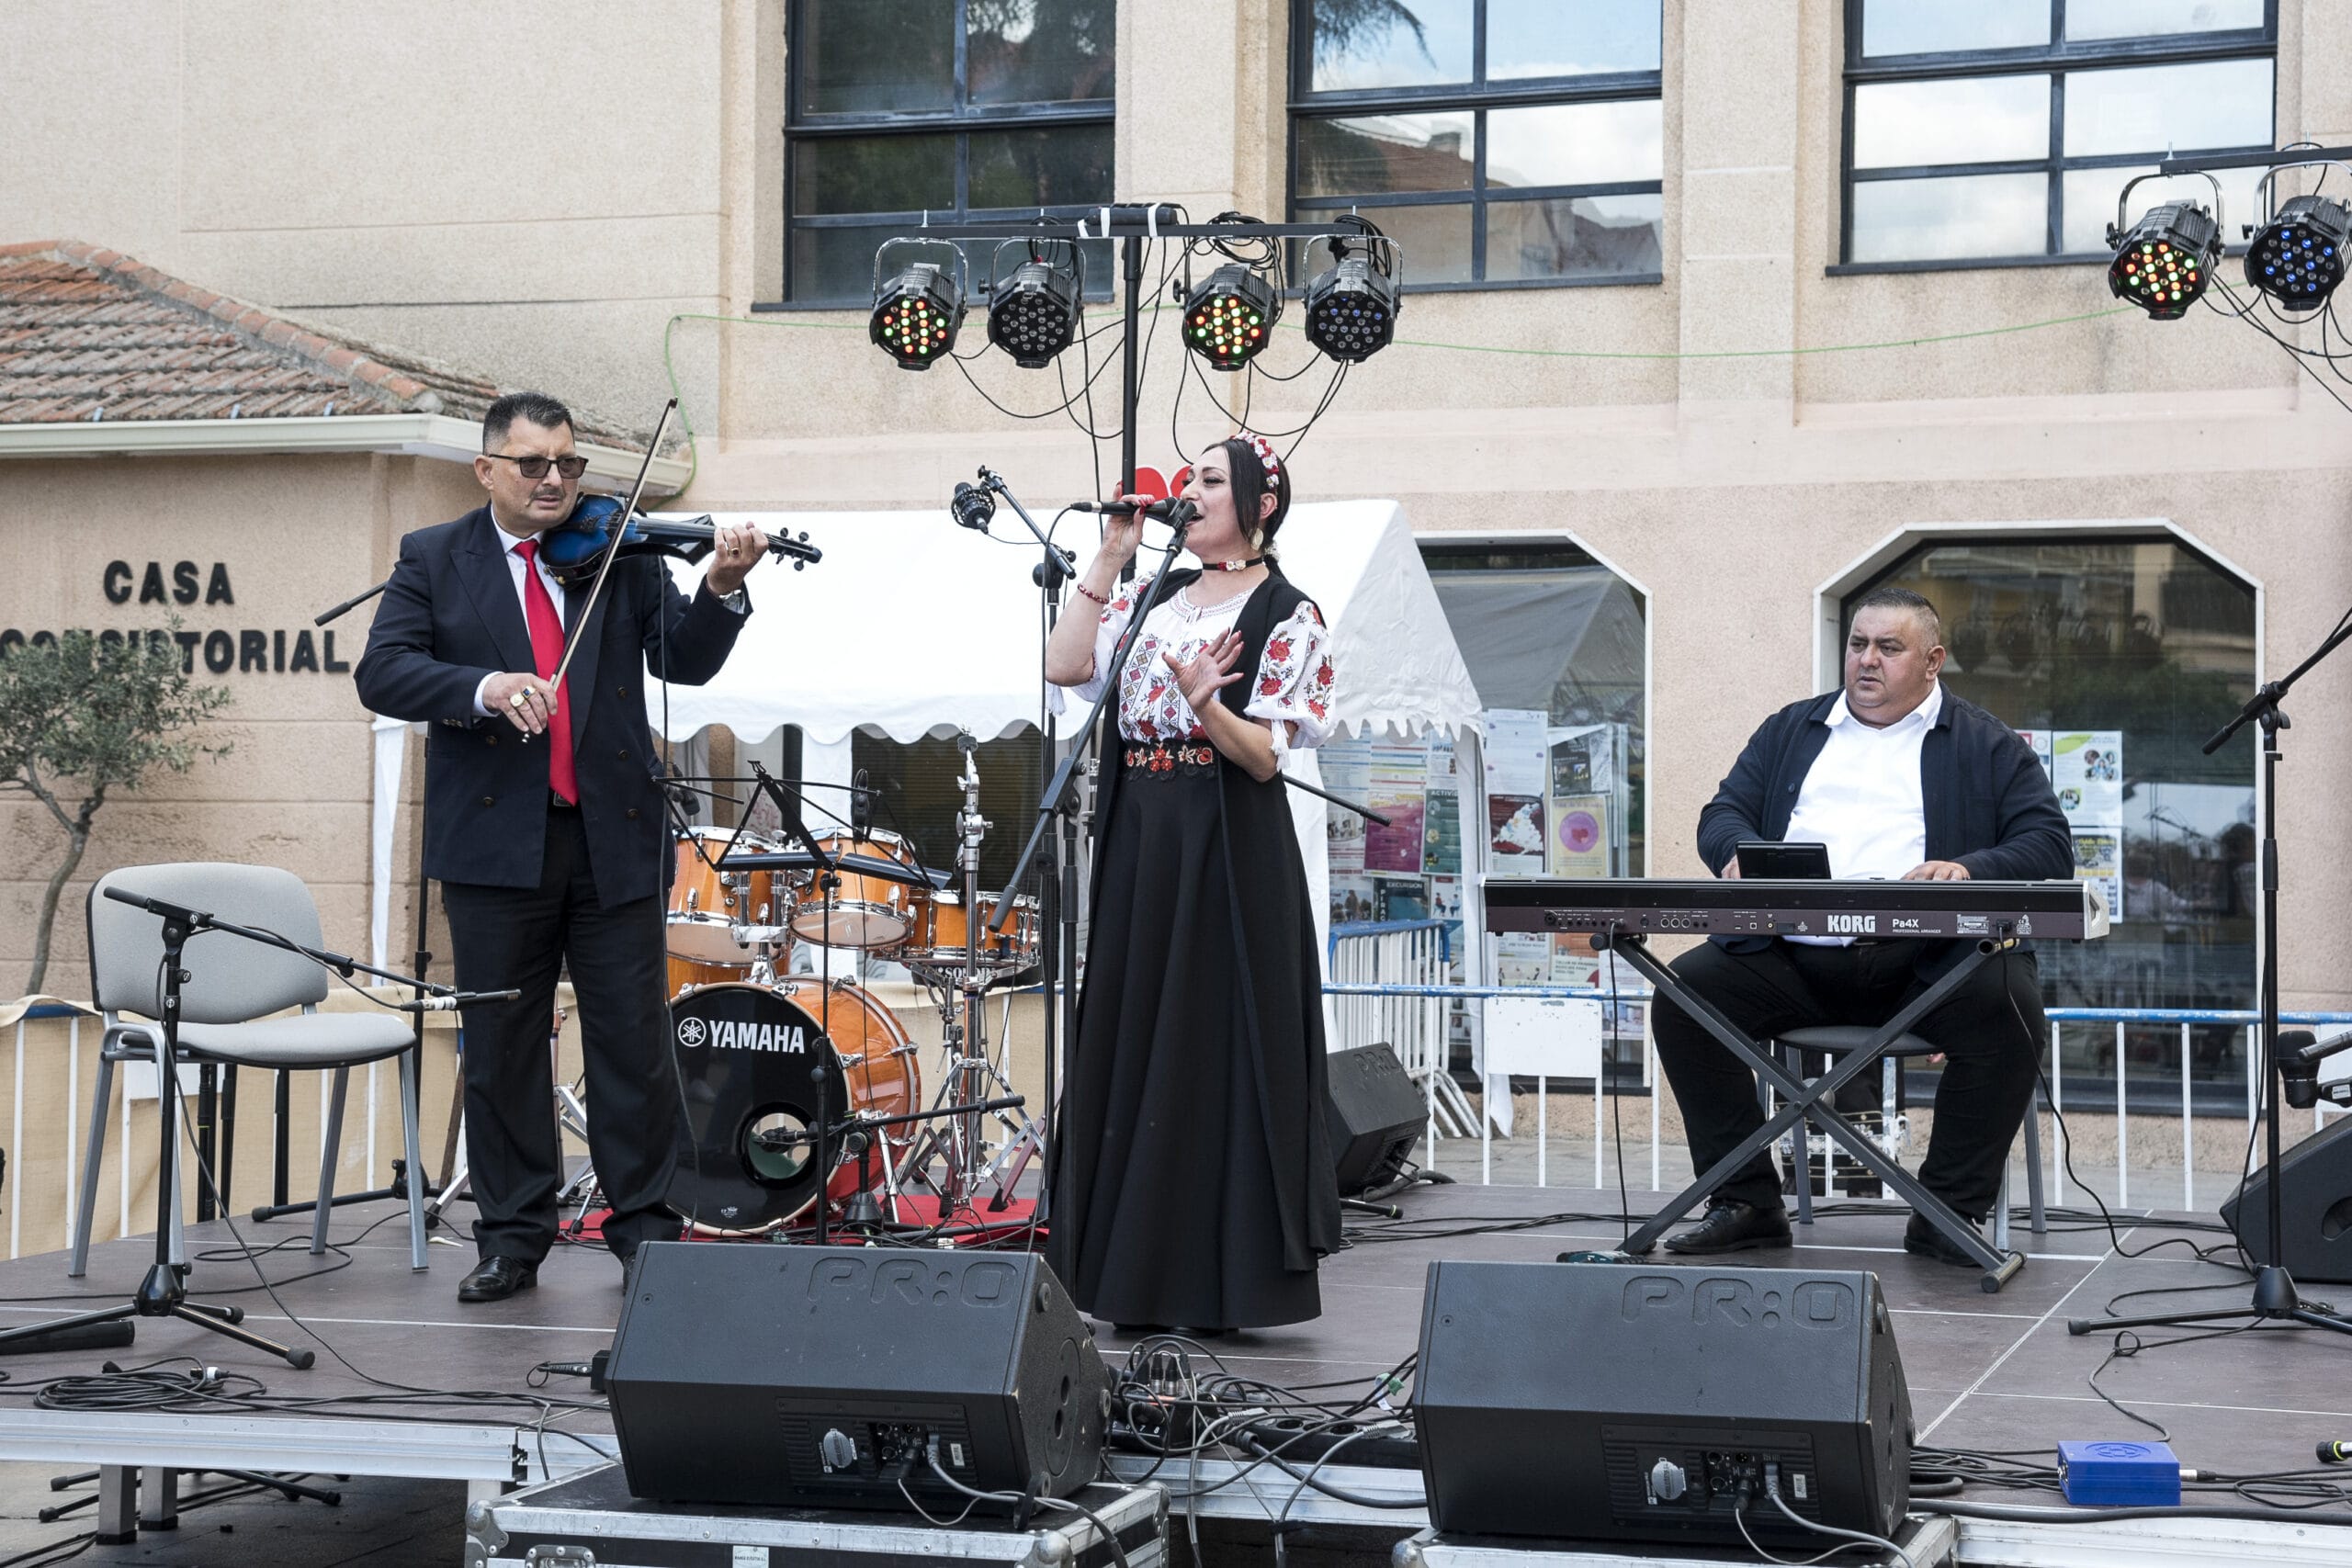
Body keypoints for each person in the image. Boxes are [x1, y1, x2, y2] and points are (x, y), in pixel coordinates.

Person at [355, 391, 767, 1302]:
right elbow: (381, 672)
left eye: (568, 465)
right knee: (502, 1045)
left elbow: (684, 660)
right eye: (534, 464)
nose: (554, 480)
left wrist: (721, 589)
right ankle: (511, 1238)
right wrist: (486, 686)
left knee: (634, 1045)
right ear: (487, 469)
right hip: (494, 848)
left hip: (612, 837)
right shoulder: (435, 557)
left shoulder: (616, 551)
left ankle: (646, 1233)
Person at [1651, 586, 2072, 1267]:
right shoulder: (1791, 730)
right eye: (1857, 644)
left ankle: (1947, 1214)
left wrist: (1970, 868)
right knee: (1685, 995)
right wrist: (1734, 850)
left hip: (1928, 964)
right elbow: (1723, 813)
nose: (1867, 659)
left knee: (2009, 1004)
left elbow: (2048, 843)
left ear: (1932, 660)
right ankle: (1746, 1203)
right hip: (1794, 959)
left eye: (1888, 647)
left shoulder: (1986, 742)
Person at [1041, 434, 1342, 1333]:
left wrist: (1207, 702)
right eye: (1187, 479)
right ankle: (1127, 1273)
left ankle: (1212, 1282)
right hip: (1142, 831)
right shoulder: (1156, 593)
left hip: (1224, 842)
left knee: (1207, 1047)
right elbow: (1065, 666)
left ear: (1260, 504)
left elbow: (1265, 757)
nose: (1191, 491)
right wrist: (1108, 558)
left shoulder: (1287, 611)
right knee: (1135, 1031)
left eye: (1211, 480)